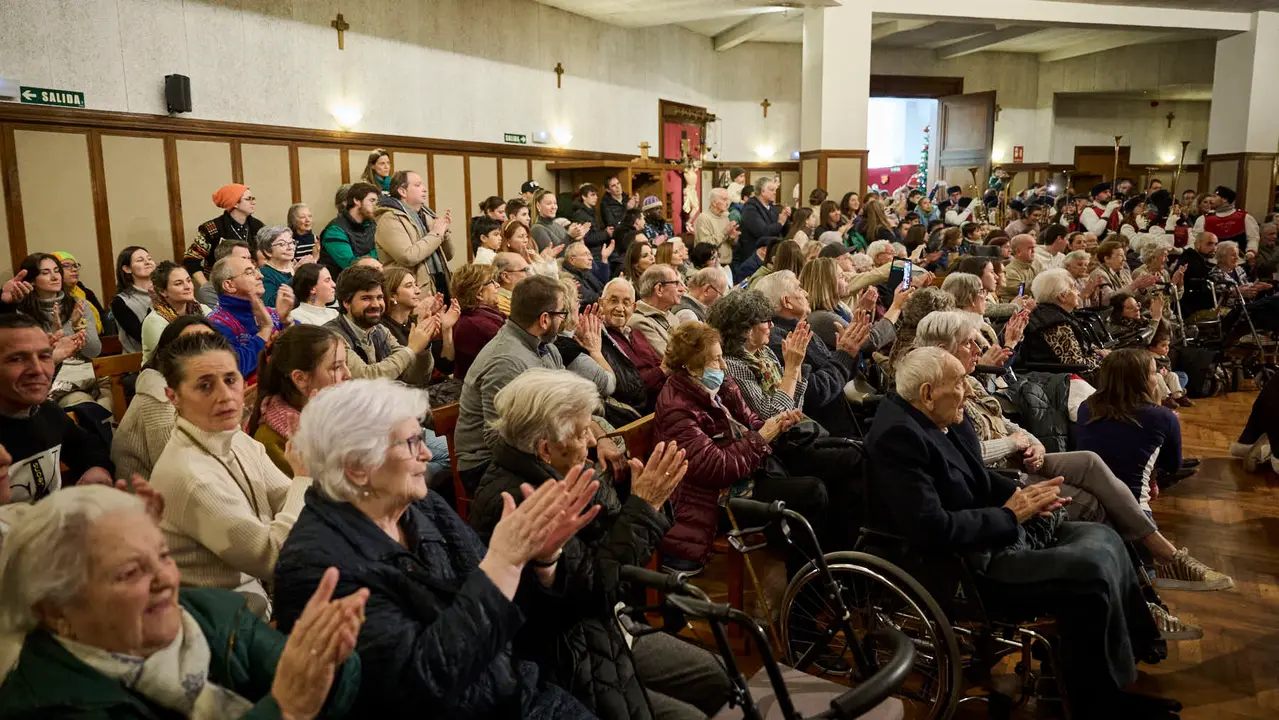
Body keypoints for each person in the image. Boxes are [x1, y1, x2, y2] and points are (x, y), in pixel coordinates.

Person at [866, 347, 1179, 717]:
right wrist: (1010, 514)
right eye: (960, 383)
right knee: (1089, 572)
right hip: (962, 564)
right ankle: (1093, 702)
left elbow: (980, 479)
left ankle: (1107, 681)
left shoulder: (946, 417)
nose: (968, 390)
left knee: (1107, 539)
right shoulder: (898, 439)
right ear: (928, 393)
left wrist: (1024, 497)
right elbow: (931, 528)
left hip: (988, 536)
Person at [274, 379, 598, 718]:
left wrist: (541, 561)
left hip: (517, 691)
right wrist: (503, 563)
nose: (427, 453)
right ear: (357, 467)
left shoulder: (422, 508)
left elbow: (504, 615)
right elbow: (419, 688)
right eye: (412, 443)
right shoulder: (316, 567)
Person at [468, 369, 732, 719]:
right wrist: (644, 507)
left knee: (717, 677)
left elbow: (610, 539)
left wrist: (639, 497)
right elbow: (596, 589)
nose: (591, 442)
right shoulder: (523, 500)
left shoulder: (561, 470)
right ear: (546, 449)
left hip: (605, 626)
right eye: (581, 434)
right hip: (565, 655)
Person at [918, 312, 1228, 591]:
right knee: (1093, 502)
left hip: (1019, 456)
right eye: (969, 343)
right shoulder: (938, 390)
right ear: (944, 347)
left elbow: (1006, 422)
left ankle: (1160, 552)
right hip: (998, 471)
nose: (977, 349)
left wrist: (1032, 441)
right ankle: (1140, 585)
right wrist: (1015, 444)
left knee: (1090, 462)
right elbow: (962, 453)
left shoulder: (966, 380)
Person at [0, 484, 365, 718]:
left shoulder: (209, 615)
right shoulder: (46, 707)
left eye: (163, 556)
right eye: (130, 572)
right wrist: (286, 709)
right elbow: (294, 698)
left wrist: (325, 656)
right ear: (54, 611)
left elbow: (318, 681)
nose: (165, 580)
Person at [655, 322, 849, 575]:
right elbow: (716, 467)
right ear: (691, 368)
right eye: (716, 360)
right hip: (713, 498)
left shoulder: (719, 386)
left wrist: (777, 425)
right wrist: (763, 435)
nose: (724, 366)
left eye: (722, 357)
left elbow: (753, 423)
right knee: (812, 492)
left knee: (838, 464)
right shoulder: (676, 408)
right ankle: (806, 587)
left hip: (748, 469)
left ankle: (837, 569)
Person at [145, 331, 311, 619]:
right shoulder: (189, 474)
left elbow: (288, 498)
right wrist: (305, 476)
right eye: (205, 386)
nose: (225, 396)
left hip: (254, 603)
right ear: (173, 396)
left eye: (231, 380)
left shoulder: (236, 438)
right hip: (220, 623)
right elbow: (273, 558)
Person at [454, 274, 570, 488]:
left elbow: (569, 402)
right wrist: (559, 454)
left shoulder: (547, 348)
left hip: (534, 449)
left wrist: (600, 437)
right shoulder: (507, 362)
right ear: (544, 320)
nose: (563, 320)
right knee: (581, 488)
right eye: (562, 314)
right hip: (486, 465)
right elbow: (498, 439)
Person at [0, 313, 112, 503]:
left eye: (45, 356)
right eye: (17, 359)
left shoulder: (46, 412)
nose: (38, 369)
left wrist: (96, 469)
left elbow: (87, 447)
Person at [755, 270, 869, 438]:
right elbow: (814, 393)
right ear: (787, 302)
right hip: (823, 436)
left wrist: (847, 354)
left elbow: (839, 378)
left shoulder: (802, 328)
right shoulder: (778, 340)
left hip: (840, 421)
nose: (806, 293)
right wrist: (843, 355)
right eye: (799, 288)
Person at [112, 316, 217, 481]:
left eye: (211, 343)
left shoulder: (202, 389)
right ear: (167, 355)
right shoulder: (159, 401)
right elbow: (184, 475)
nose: (203, 353)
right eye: (189, 346)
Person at [249, 324, 352, 476]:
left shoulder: (340, 415)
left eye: (346, 364)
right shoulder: (271, 442)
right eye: (336, 367)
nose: (348, 374)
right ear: (300, 378)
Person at [326, 264, 435, 385]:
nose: (376, 304)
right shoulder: (332, 336)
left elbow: (414, 378)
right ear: (346, 302)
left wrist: (423, 347)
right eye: (366, 298)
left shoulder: (380, 330)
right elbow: (366, 377)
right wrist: (411, 349)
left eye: (379, 297)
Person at [708, 289, 809, 420]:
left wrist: (797, 364)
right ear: (746, 330)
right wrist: (791, 369)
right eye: (766, 320)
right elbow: (771, 416)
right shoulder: (732, 366)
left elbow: (795, 406)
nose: (771, 325)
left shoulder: (765, 353)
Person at [206, 254, 290, 380]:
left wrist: (287, 323)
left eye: (257, 270)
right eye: (249, 272)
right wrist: (265, 330)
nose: (260, 276)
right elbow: (235, 368)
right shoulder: (215, 324)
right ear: (229, 285)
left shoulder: (272, 312)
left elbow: (304, 351)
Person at [375, 170, 453, 300]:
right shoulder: (389, 218)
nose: (424, 189)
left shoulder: (428, 216)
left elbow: (449, 254)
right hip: (411, 292)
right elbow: (408, 257)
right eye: (417, 185)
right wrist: (436, 233)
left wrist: (444, 231)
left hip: (440, 282)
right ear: (402, 191)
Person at [13, 253, 102, 362]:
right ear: (32, 280)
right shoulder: (22, 312)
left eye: (56, 271)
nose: (55, 277)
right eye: (46, 273)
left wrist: (78, 326)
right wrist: (54, 333)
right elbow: (27, 360)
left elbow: (94, 352)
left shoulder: (79, 305)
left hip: (82, 372)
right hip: (45, 374)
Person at [599, 278, 667, 416]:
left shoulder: (636, 333)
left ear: (634, 308)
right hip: (637, 413)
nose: (620, 308)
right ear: (601, 303)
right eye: (613, 301)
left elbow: (659, 366)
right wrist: (663, 371)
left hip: (661, 403)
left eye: (626, 302)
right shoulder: (598, 338)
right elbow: (627, 389)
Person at [1022, 268, 1107, 378]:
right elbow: (1077, 365)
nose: (1077, 292)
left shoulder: (1053, 314)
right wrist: (1104, 359)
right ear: (1062, 296)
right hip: (1068, 380)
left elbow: (1082, 346)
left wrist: (1098, 351)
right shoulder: (1055, 325)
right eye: (1073, 288)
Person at [184, 184, 263, 287]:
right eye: (248, 199)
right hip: (220, 286)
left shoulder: (258, 226)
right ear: (235, 204)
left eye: (253, 198)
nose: (254, 202)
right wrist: (206, 287)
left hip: (251, 283)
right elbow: (191, 258)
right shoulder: (212, 229)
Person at [141, 261, 209, 364]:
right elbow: (172, 358)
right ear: (162, 291)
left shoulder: (203, 309)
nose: (188, 287)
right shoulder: (154, 321)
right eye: (178, 283)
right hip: (164, 373)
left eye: (189, 281)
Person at [451, 263, 508, 381]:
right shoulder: (477, 325)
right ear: (479, 294)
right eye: (491, 282)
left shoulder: (486, 316)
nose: (497, 285)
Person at [319, 182, 380, 277]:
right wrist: (381, 252)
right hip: (341, 286)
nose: (376, 206)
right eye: (372, 200)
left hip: (370, 280)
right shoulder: (335, 230)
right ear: (357, 201)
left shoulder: (372, 224)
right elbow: (351, 265)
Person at [629, 264, 685, 357]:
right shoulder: (639, 322)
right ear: (659, 289)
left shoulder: (670, 315)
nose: (682, 289)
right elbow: (670, 359)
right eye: (676, 284)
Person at [109, 245, 156, 354]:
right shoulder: (120, 302)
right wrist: (155, 302)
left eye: (149, 259)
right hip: (138, 362)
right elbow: (143, 337)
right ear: (127, 269)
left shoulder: (168, 291)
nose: (147, 262)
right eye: (140, 260)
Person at [737, 176, 791, 268]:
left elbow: (783, 232)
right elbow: (762, 232)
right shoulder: (750, 208)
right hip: (754, 258)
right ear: (762, 191)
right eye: (771, 190)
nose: (774, 193)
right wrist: (780, 223)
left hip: (771, 256)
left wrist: (785, 218)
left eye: (775, 190)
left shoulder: (773, 208)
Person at [51, 252, 108, 336]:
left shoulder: (86, 292)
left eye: (75, 265)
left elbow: (103, 318)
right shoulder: (54, 296)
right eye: (66, 265)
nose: (74, 269)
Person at [1087, 241, 1157, 308]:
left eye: (1124, 255)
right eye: (1120, 255)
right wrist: (1133, 285)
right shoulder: (1099, 274)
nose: (1125, 259)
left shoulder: (1125, 272)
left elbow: (1135, 299)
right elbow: (1108, 299)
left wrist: (1141, 289)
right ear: (1107, 259)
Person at [1192, 185, 1258, 253]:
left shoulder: (1245, 218)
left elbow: (1253, 238)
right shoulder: (1203, 219)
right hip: (1210, 261)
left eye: (1214, 196)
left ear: (1224, 200)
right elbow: (1195, 240)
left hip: (1239, 260)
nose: (1211, 200)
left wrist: (1251, 252)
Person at [194, 239, 252, 308]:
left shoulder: (253, 283)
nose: (250, 263)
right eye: (243, 258)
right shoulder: (209, 291)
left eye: (249, 258)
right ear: (224, 262)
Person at [695, 187, 740, 265]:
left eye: (728, 199)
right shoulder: (703, 218)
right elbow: (705, 246)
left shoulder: (725, 216)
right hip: (710, 265)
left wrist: (732, 238)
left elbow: (727, 242)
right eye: (724, 199)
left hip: (727, 263)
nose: (728, 203)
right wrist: (725, 232)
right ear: (714, 203)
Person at [562, 239, 610, 307]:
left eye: (590, 254)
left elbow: (601, 286)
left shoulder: (585, 271)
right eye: (585, 254)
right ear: (572, 260)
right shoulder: (567, 277)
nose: (591, 258)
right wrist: (610, 293)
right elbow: (589, 298)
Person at [255, 225, 295, 306]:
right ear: (267, 251)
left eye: (291, 242)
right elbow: (271, 304)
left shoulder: (297, 266)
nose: (290, 247)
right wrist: (297, 277)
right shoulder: (264, 274)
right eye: (282, 244)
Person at [573, 184, 613, 258]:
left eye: (596, 195)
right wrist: (606, 233)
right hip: (590, 254)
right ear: (584, 197)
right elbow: (587, 238)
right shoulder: (579, 215)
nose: (596, 197)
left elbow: (595, 232)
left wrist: (606, 231)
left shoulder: (592, 212)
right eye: (592, 195)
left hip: (597, 252)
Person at [999, 234, 1039, 302]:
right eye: (1030, 248)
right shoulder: (1010, 271)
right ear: (1018, 251)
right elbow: (1021, 291)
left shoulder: (1034, 266)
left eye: (1034, 248)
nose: (1033, 251)